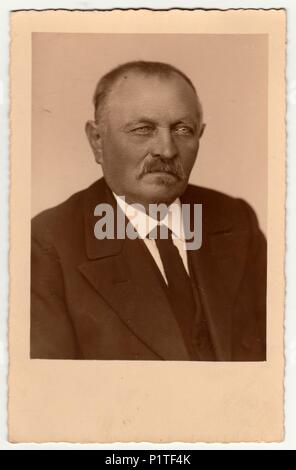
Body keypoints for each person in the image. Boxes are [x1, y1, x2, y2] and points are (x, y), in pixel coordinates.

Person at [31, 61, 266, 361]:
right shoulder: (47, 244)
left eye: (183, 130)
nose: (166, 150)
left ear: (200, 136)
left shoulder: (237, 221)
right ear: (97, 141)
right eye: (143, 129)